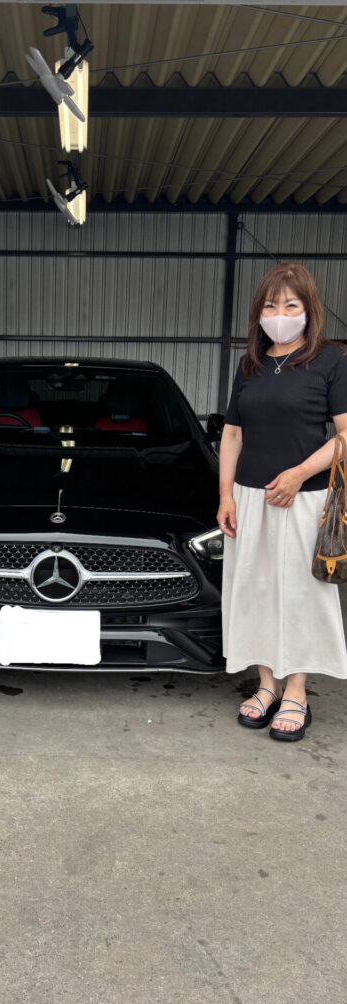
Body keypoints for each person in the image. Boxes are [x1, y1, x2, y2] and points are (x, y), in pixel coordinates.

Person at [219, 262, 347, 742]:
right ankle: (267, 683)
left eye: (291, 305)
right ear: (259, 312)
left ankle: (296, 689)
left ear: (309, 309)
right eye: (271, 305)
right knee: (254, 589)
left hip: (303, 499)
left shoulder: (331, 360)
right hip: (249, 497)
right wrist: (226, 494)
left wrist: (298, 474)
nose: (280, 314)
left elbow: (345, 436)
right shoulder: (250, 364)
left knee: (299, 594)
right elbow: (233, 434)